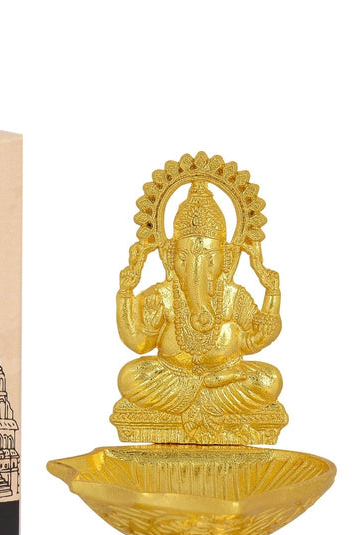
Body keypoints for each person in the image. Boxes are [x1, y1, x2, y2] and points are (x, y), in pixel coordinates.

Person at [117, 181, 282, 437]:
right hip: (174, 377)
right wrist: (126, 293)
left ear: (226, 257)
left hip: (225, 376)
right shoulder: (162, 295)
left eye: (210, 258)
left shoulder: (234, 296)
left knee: (269, 380)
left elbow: (253, 341)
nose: (197, 268)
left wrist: (272, 294)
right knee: (129, 377)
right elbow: (139, 344)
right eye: (184, 258)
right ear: (170, 256)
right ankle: (207, 392)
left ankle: (202, 392)